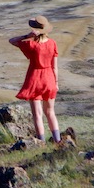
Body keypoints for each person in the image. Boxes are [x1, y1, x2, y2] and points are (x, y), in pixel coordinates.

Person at [9, 15, 61, 143]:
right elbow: (55, 67)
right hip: (49, 78)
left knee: (37, 115)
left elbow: (12, 40)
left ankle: (41, 142)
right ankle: (58, 141)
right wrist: (56, 83)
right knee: (50, 112)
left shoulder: (31, 45)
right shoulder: (52, 43)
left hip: (35, 79)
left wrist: (27, 36)